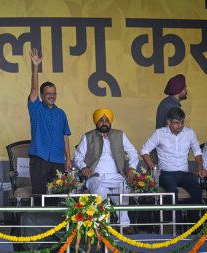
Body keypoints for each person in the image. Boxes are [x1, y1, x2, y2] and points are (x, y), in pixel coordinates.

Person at [73, 108, 139, 235]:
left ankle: (124, 225)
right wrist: (84, 167)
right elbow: (78, 157)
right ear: (96, 122)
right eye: (101, 120)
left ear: (111, 122)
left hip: (116, 175)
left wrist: (131, 168)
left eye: (107, 120)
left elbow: (133, 153)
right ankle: (104, 224)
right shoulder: (88, 136)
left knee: (124, 189)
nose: (104, 123)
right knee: (101, 190)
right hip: (95, 176)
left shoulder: (120, 135)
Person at [141, 107, 207, 223]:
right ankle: (176, 224)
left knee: (197, 189)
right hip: (166, 173)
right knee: (172, 189)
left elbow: (197, 152)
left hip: (184, 173)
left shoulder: (189, 133)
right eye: (176, 123)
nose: (180, 126)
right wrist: (153, 167)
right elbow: (144, 151)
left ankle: (193, 224)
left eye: (182, 122)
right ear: (169, 122)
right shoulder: (159, 133)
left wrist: (200, 167)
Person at [28, 48, 72, 204]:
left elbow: (65, 136)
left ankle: (56, 228)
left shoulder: (62, 113)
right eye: (48, 93)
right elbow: (34, 88)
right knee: (39, 196)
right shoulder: (36, 108)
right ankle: (40, 228)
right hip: (39, 158)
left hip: (58, 160)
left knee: (58, 196)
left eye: (54, 93)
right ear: (41, 95)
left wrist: (68, 159)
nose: (51, 96)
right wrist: (35, 66)